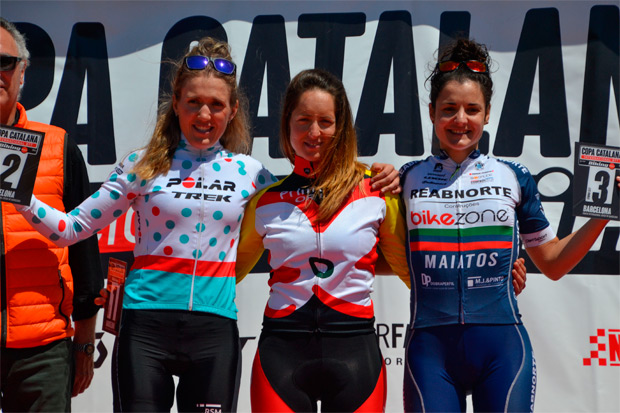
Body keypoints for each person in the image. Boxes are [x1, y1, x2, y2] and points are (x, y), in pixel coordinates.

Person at [14, 37, 398, 412]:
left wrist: (377, 174)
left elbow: (310, 200)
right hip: (145, 329)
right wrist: (17, 192)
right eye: (193, 103)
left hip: (215, 334)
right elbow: (69, 228)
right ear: (175, 105)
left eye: (216, 105)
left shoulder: (252, 175)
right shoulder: (142, 164)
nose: (204, 115)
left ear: (232, 111)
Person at [235, 68, 528, 412]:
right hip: (280, 356)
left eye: (326, 122)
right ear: (287, 124)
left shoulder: (376, 188)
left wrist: (491, 280)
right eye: (303, 121)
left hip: (355, 357)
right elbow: (224, 275)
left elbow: (416, 271)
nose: (314, 132)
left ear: (341, 126)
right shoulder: (265, 200)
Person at [399, 38, 619, 413]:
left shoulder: (513, 175)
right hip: (429, 350)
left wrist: (601, 215)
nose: (460, 120)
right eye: (449, 109)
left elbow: (552, 262)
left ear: (487, 115)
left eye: (472, 109)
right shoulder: (406, 179)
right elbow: (379, 252)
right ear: (433, 111)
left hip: (501, 346)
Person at [0, 18, 104, 412]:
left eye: (4, 63)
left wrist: (85, 339)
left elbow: (84, 251)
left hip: (43, 350)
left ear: (23, 71)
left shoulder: (57, 146)